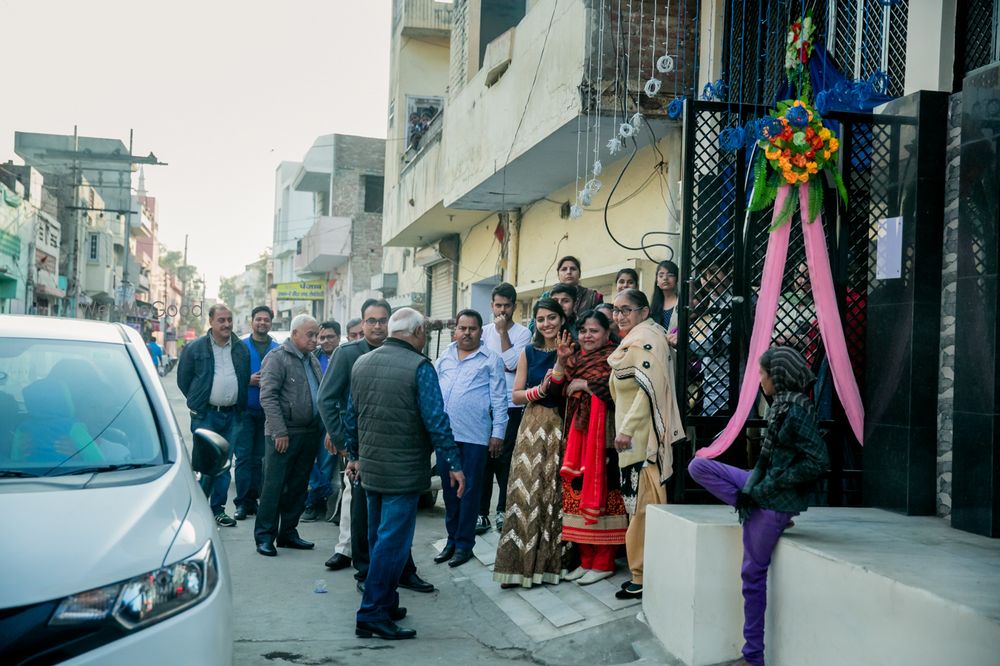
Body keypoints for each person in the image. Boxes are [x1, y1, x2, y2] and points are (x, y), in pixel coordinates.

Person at [688, 346, 829, 666]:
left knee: (752, 576)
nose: (760, 379)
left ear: (777, 376)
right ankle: (745, 501)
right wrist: (750, 491)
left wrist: (770, 486)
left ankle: (753, 658)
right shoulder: (781, 404)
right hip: (760, 484)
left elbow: (818, 461)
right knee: (699, 466)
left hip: (774, 496)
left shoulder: (797, 408)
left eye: (763, 374)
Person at [346, 308, 465, 640]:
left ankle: (385, 603)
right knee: (392, 544)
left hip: (372, 468)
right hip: (402, 471)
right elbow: (436, 420)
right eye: (423, 332)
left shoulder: (362, 362)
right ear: (416, 332)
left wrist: (354, 455)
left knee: (378, 539)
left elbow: (350, 415)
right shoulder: (419, 366)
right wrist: (454, 464)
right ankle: (371, 613)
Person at [318, 301, 433, 594]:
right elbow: (327, 399)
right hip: (362, 452)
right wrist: (343, 441)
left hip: (397, 453)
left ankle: (404, 571)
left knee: (398, 521)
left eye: (383, 320)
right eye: (371, 321)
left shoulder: (409, 353)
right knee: (363, 516)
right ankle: (366, 574)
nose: (377, 326)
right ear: (362, 323)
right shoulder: (348, 354)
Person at [608, 289, 684, 600]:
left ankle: (643, 574)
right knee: (637, 507)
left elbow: (648, 391)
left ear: (642, 311)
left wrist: (626, 430)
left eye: (626, 309)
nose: (619, 315)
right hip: (632, 439)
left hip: (641, 439)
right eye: (615, 310)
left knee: (643, 508)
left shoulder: (647, 340)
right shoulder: (638, 338)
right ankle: (642, 571)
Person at [493, 298, 567, 589]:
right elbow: (516, 394)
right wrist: (540, 390)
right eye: (541, 319)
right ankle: (517, 566)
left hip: (561, 424)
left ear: (562, 319)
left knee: (552, 491)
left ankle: (548, 564)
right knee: (524, 490)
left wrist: (562, 360)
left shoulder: (570, 349)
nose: (546, 323)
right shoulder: (528, 351)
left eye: (552, 318)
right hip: (532, 424)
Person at [552, 310, 626, 585]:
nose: (587, 336)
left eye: (594, 330)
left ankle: (604, 562)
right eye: (583, 330)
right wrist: (561, 361)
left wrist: (589, 384)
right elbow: (559, 389)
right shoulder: (574, 358)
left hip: (605, 436)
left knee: (605, 495)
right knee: (577, 492)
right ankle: (586, 560)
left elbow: (621, 389)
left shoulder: (617, 356)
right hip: (578, 435)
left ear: (608, 333)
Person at [433, 310, 507, 568]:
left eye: (472, 328)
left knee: (470, 491)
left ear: (480, 331)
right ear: (455, 330)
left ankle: (465, 545)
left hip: (475, 437)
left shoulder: (491, 359)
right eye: (462, 328)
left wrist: (498, 432)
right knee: (450, 491)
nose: (466, 332)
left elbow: (500, 399)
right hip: (445, 437)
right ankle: (451, 541)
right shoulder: (444, 357)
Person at [253, 314, 323, 557]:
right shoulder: (277, 358)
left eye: (317, 334)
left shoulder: (311, 359)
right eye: (311, 335)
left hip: (308, 432)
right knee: (274, 486)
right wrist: (279, 431)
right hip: (283, 434)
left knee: (298, 486)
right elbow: (268, 396)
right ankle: (265, 537)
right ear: (294, 335)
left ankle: (288, 533)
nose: (316, 339)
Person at [177, 304, 250, 527]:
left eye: (229, 319)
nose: (227, 324)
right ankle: (198, 510)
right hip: (206, 415)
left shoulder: (239, 349)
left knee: (224, 465)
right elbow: (184, 379)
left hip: (232, 416)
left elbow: (244, 378)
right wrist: (197, 401)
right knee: (204, 464)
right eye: (221, 320)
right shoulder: (195, 348)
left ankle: (217, 510)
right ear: (211, 321)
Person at [478, 282, 532, 535]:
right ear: (492, 305)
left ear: (514, 306)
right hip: (485, 404)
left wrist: (502, 334)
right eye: (498, 305)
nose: (502, 310)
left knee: (505, 460)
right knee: (483, 461)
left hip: (511, 405)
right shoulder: (482, 331)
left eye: (506, 305)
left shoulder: (522, 334)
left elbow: (512, 365)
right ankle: (481, 513)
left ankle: (502, 509)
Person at [237, 305, 280, 521]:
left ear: (271, 323)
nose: (262, 323)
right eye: (258, 319)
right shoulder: (240, 347)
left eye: (266, 320)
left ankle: (257, 501)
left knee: (261, 459)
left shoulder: (278, 348)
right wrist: (248, 380)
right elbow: (229, 376)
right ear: (251, 321)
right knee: (244, 458)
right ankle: (243, 503)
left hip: (269, 414)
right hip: (245, 410)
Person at [303, 319, 341, 522]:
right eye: (322, 337)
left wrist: (334, 427)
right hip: (311, 419)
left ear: (338, 337)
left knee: (326, 462)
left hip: (332, 420)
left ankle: (312, 505)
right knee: (308, 460)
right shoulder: (311, 357)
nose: (325, 341)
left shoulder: (344, 358)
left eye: (330, 337)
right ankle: (322, 491)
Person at [649, 260, 680, 349]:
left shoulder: (682, 302)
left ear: (677, 279)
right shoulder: (654, 306)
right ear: (657, 281)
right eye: (661, 275)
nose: (665, 278)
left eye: (670, 275)